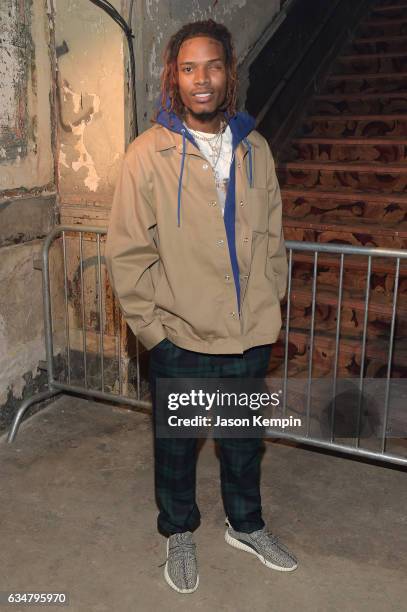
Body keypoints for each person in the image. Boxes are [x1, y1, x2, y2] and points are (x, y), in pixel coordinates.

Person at [105, 19, 297, 594]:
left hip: (249, 333)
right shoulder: (148, 154)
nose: (201, 79)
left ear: (228, 73)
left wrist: (272, 301)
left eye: (212, 66)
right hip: (181, 336)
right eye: (189, 69)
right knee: (178, 447)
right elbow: (128, 251)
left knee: (243, 440)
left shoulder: (256, 149)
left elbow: (273, 238)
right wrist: (153, 333)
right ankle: (179, 530)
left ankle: (246, 524)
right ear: (175, 78)